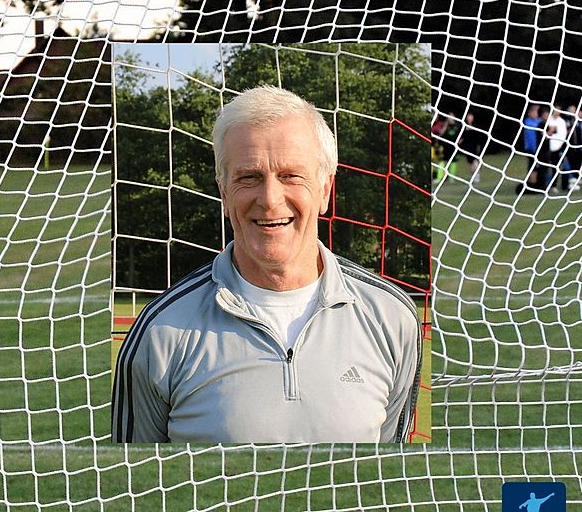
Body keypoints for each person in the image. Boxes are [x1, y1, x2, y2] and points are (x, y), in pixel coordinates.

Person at [111, 86, 423, 443]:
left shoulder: (392, 318)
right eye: (249, 177)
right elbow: (132, 475)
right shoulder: (160, 330)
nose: (270, 200)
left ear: (325, 190)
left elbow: (387, 467)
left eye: (290, 175)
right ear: (223, 193)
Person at [519, 104, 545, 193]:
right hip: (531, 149)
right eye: (535, 112)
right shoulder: (528, 122)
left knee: (539, 167)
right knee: (533, 166)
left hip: (539, 149)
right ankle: (532, 184)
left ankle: (536, 184)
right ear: (530, 113)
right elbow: (531, 138)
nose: (536, 114)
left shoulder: (539, 121)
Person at [545, 105, 569, 192]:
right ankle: (551, 185)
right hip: (548, 149)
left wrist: (560, 146)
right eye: (555, 110)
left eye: (558, 110)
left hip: (559, 148)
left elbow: (564, 135)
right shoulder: (548, 120)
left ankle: (564, 185)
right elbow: (545, 134)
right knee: (551, 168)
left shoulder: (562, 122)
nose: (557, 112)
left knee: (564, 167)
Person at [457, 112, 485, 184]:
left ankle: (477, 175)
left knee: (475, 160)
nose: (469, 118)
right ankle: (473, 176)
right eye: (468, 117)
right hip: (467, 146)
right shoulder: (464, 125)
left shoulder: (476, 126)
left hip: (475, 146)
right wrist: (459, 141)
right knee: (470, 162)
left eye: (471, 117)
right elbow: (462, 136)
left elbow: (479, 136)